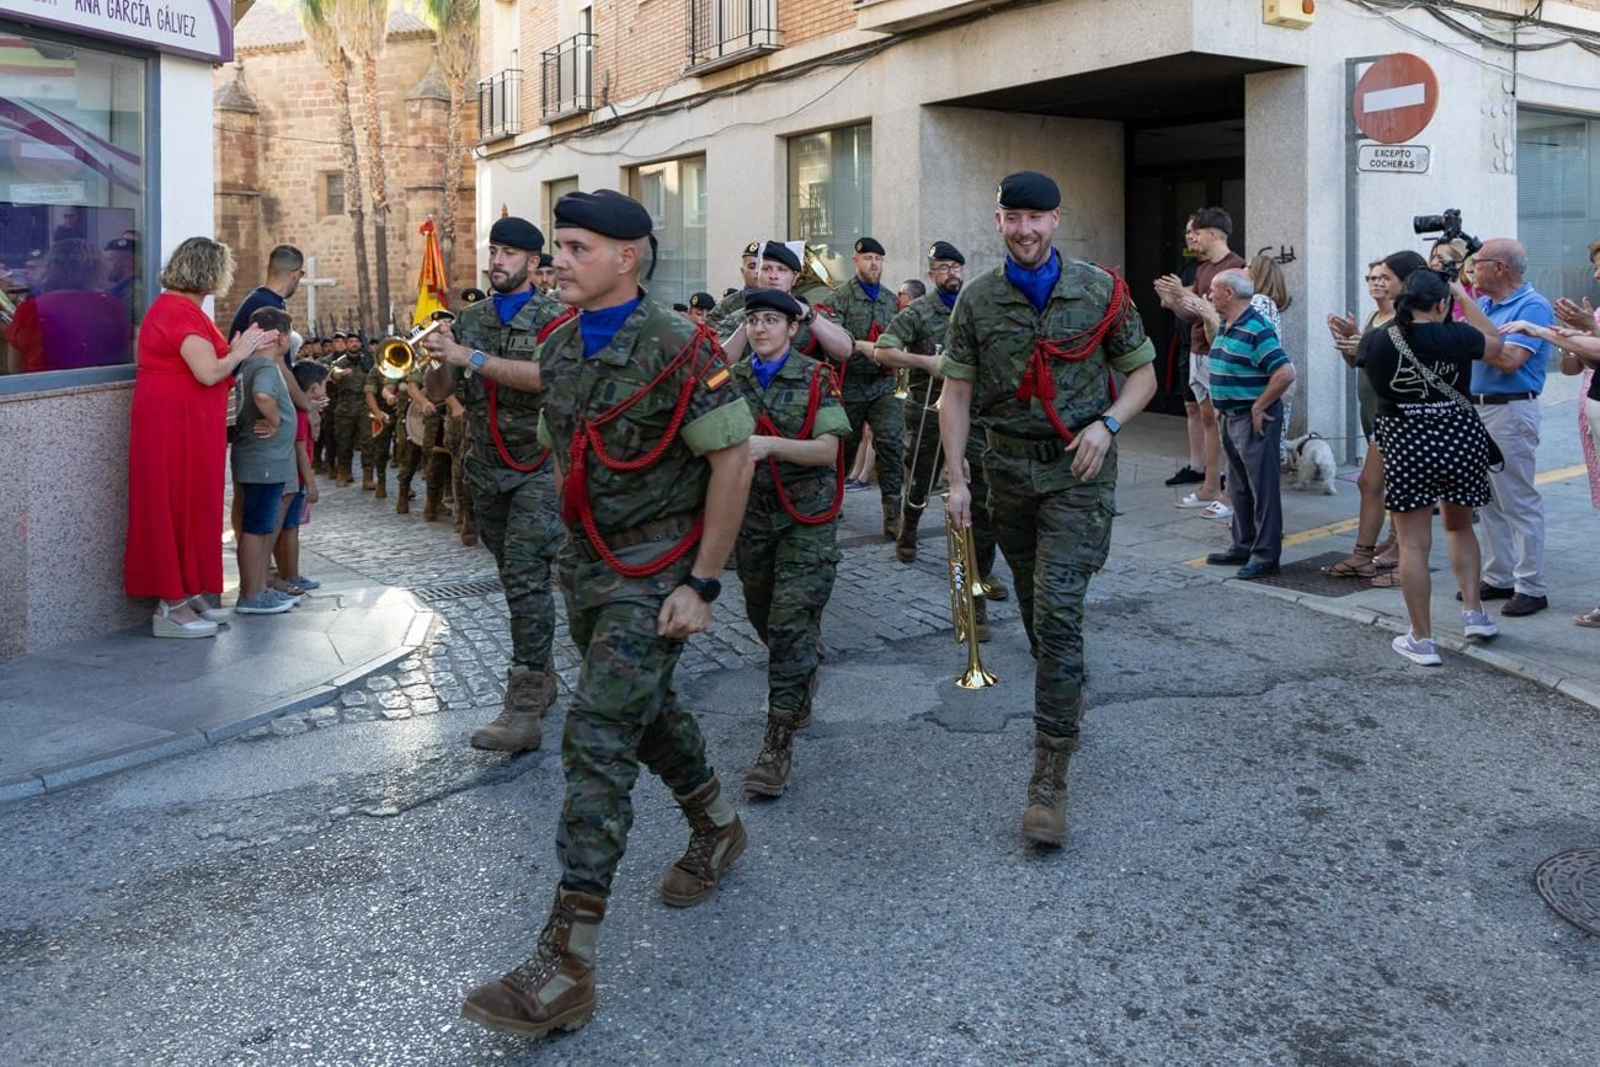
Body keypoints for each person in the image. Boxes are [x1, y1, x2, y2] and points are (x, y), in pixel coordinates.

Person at [455, 189, 755, 1040]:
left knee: (595, 735)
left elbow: (733, 460)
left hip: (656, 571)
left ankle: (566, 962)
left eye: (577, 248)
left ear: (627, 257)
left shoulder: (681, 345)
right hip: (588, 568)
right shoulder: (556, 340)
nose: (560, 260)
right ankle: (717, 827)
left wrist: (703, 583)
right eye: (560, 245)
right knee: (642, 711)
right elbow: (563, 445)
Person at [940, 171, 1157, 848]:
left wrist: (1109, 424)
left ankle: (1049, 775)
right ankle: (1063, 685)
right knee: (1037, 611)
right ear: (998, 221)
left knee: (1059, 611)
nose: (1025, 230)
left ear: (1056, 220)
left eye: (1036, 218)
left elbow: (1143, 375)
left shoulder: (1100, 291)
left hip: (1078, 472)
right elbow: (955, 394)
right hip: (1007, 472)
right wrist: (956, 478)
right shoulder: (976, 299)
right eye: (1013, 218)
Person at [422, 216, 569, 751]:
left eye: (508, 253)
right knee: (514, 577)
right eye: (494, 251)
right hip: (484, 467)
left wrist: (470, 356)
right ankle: (544, 674)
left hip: (538, 466)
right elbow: (439, 391)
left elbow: (546, 379)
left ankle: (523, 707)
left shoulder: (557, 317)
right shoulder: (470, 318)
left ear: (532, 262)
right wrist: (439, 355)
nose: (497, 261)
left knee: (527, 575)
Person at [728, 288, 851, 796]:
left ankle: (775, 746)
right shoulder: (730, 379)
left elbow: (827, 451)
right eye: (753, 320)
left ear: (792, 328)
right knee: (761, 612)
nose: (760, 328)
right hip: (752, 517)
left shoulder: (816, 376)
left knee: (788, 623)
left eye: (771, 320)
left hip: (807, 517)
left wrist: (771, 445)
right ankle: (801, 671)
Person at [125, 237, 278, 638]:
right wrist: (241, 350)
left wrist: (241, 348)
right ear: (210, 272)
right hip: (173, 426)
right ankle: (170, 604)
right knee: (173, 503)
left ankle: (187, 590)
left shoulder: (185, 310)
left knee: (192, 504)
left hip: (188, 424)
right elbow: (209, 372)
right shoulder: (178, 312)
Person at [1360, 269, 1505, 664]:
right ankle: (1474, 613)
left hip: (1407, 446)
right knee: (1460, 528)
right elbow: (1497, 344)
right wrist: (1463, 295)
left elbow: (1365, 368)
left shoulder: (1379, 338)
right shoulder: (1459, 335)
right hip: (1461, 443)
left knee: (1412, 544)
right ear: (1442, 304)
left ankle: (1422, 640)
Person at [874, 240, 1006, 607]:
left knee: (982, 491)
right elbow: (883, 350)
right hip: (928, 412)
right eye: (943, 268)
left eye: (956, 267)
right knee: (921, 480)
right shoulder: (917, 312)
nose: (951, 274)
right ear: (932, 275)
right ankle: (909, 530)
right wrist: (925, 362)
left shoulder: (975, 307)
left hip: (973, 413)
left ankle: (982, 571)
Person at [1506, 242, 1600, 625]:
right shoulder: (1596, 311)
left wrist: (1546, 332)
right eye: (1595, 266)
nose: (1596, 275)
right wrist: (1570, 340)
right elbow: (1577, 365)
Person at [1323, 251, 1427, 582]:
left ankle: (1381, 555)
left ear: (1404, 282)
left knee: (1377, 483)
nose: (1376, 282)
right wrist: (1348, 344)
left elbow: (1402, 373)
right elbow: (1359, 365)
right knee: (1379, 484)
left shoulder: (1407, 322)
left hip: (1397, 417)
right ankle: (1377, 551)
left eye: (1385, 277)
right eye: (1372, 277)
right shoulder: (1374, 317)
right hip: (1375, 415)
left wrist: (1364, 349)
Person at [1471, 238, 1554, 618]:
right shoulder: (1487, 305)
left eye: (1477, 263)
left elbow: (1509, 360)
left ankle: (1531, 586)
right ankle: (1499, 576)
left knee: (1518, 499)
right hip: (1480, 408)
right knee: (1488, 500)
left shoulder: (1532, 305)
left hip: (1510, 409)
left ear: (1500, 268)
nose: (1471, 270)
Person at [1202, 269, 1296, 579]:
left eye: (1214, 290)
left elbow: (1285, 372)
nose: (1209, 295)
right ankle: (1243, 545)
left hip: (1252, 419)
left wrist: (1259, 405)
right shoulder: (1228, 324)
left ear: (1229, 293)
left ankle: (1266, 555)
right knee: (1238, 486)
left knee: (1262, 489)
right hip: (1231, 416)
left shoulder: (1256, 327)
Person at [1155, 208, 1245, 509]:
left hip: (1220, 355)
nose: (1191, 237)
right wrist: (1173, 300)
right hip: (1197, 350)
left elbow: (1223, 315)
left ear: (1214, 234)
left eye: (1196, 232)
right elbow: (1192, 314)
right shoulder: (1203, 268)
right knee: (1208, 420)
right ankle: (1209, 486)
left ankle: (1231, 493)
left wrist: (1183, 294)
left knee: (1226, 423)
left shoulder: (1237, 268)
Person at [830, 236, 905, 540]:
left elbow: (901, 334)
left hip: (883, 384)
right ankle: (831, 502)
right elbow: (834, 337)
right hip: (849, 384)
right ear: (856, 261)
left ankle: (893, 514)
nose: (873, 263)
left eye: (878, 259)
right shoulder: (840, 298)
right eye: (868, 258)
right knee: (843, 447)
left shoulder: (890, 300)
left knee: (890, 441)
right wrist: (863, 346)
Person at [231, 307, 302, 615]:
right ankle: (251, 594)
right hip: (264, 461)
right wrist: (274, 421)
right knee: (257, 529)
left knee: (260, 527)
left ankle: (259, 588)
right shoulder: (265, 367)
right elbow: (262, 396)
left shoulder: (248, 363)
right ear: (281, 337)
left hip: (261, 460)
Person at [2, 239, 132, 372]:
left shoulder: (30, 309)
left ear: (49, 268)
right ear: (97, 270)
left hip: (44, 383)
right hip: (102, 382)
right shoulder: (113, 306)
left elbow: (16, 369)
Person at [276, 360, 328, 591]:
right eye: (324, 385)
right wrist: (311, 482)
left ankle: (286, 573)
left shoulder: (301, 409)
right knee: (291, 528)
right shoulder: (298, 412)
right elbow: (300, 450)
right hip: (296, 478)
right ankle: (291, 575)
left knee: (288, 527)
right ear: (315, 388)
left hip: (294, 476)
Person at [706, 240, 763, 335]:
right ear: (742, 271)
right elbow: (711, 336)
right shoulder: (726, 305)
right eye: (752, 266)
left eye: (761, 266)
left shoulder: (780, 301)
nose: (757, 271)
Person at [361, 355, 399, 499]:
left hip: (400, 413)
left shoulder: (404, 367)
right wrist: (377, 413)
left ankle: (405, 485)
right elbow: (369, 394)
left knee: (404, 450)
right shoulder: (375, 371)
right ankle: (381, 482)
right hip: (383, 414)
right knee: (381, 450)